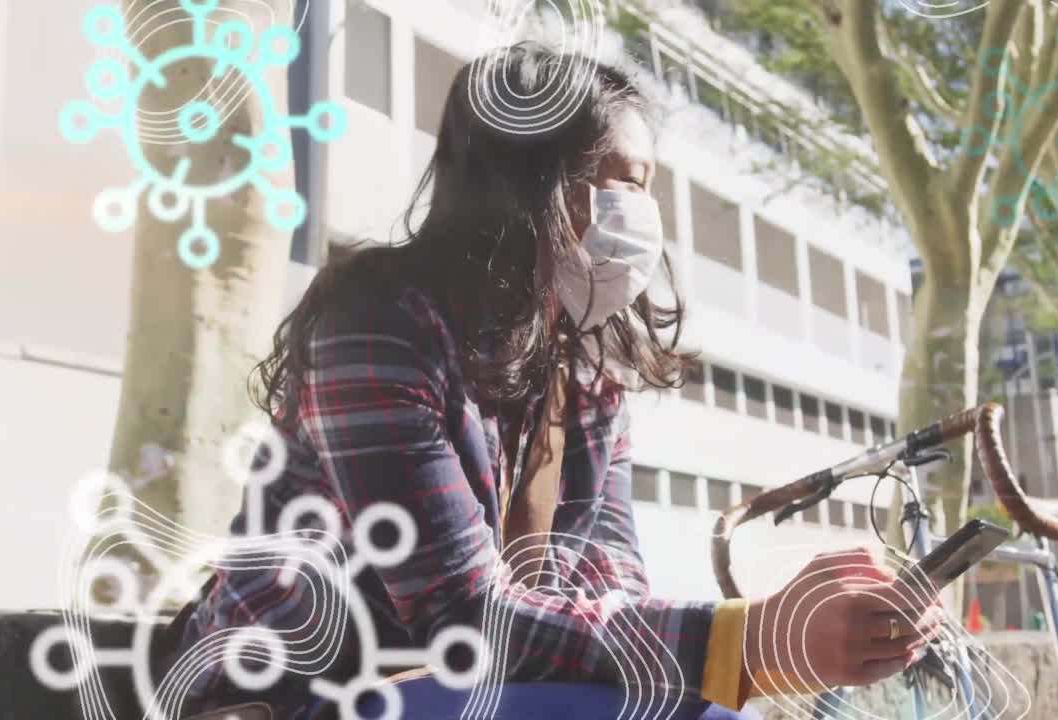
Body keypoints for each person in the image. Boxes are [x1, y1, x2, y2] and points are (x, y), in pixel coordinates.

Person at [155, 43, 942, 720]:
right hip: (295, 692)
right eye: (618, 183)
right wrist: (751, 637)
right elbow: (458, 616)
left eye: (646, 187)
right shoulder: (377, 328)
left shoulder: (588, 363)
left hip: (459, 686)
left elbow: (607, 583)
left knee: (686, 704)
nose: (641, 213)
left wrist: (786, 634)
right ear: (523, 184)